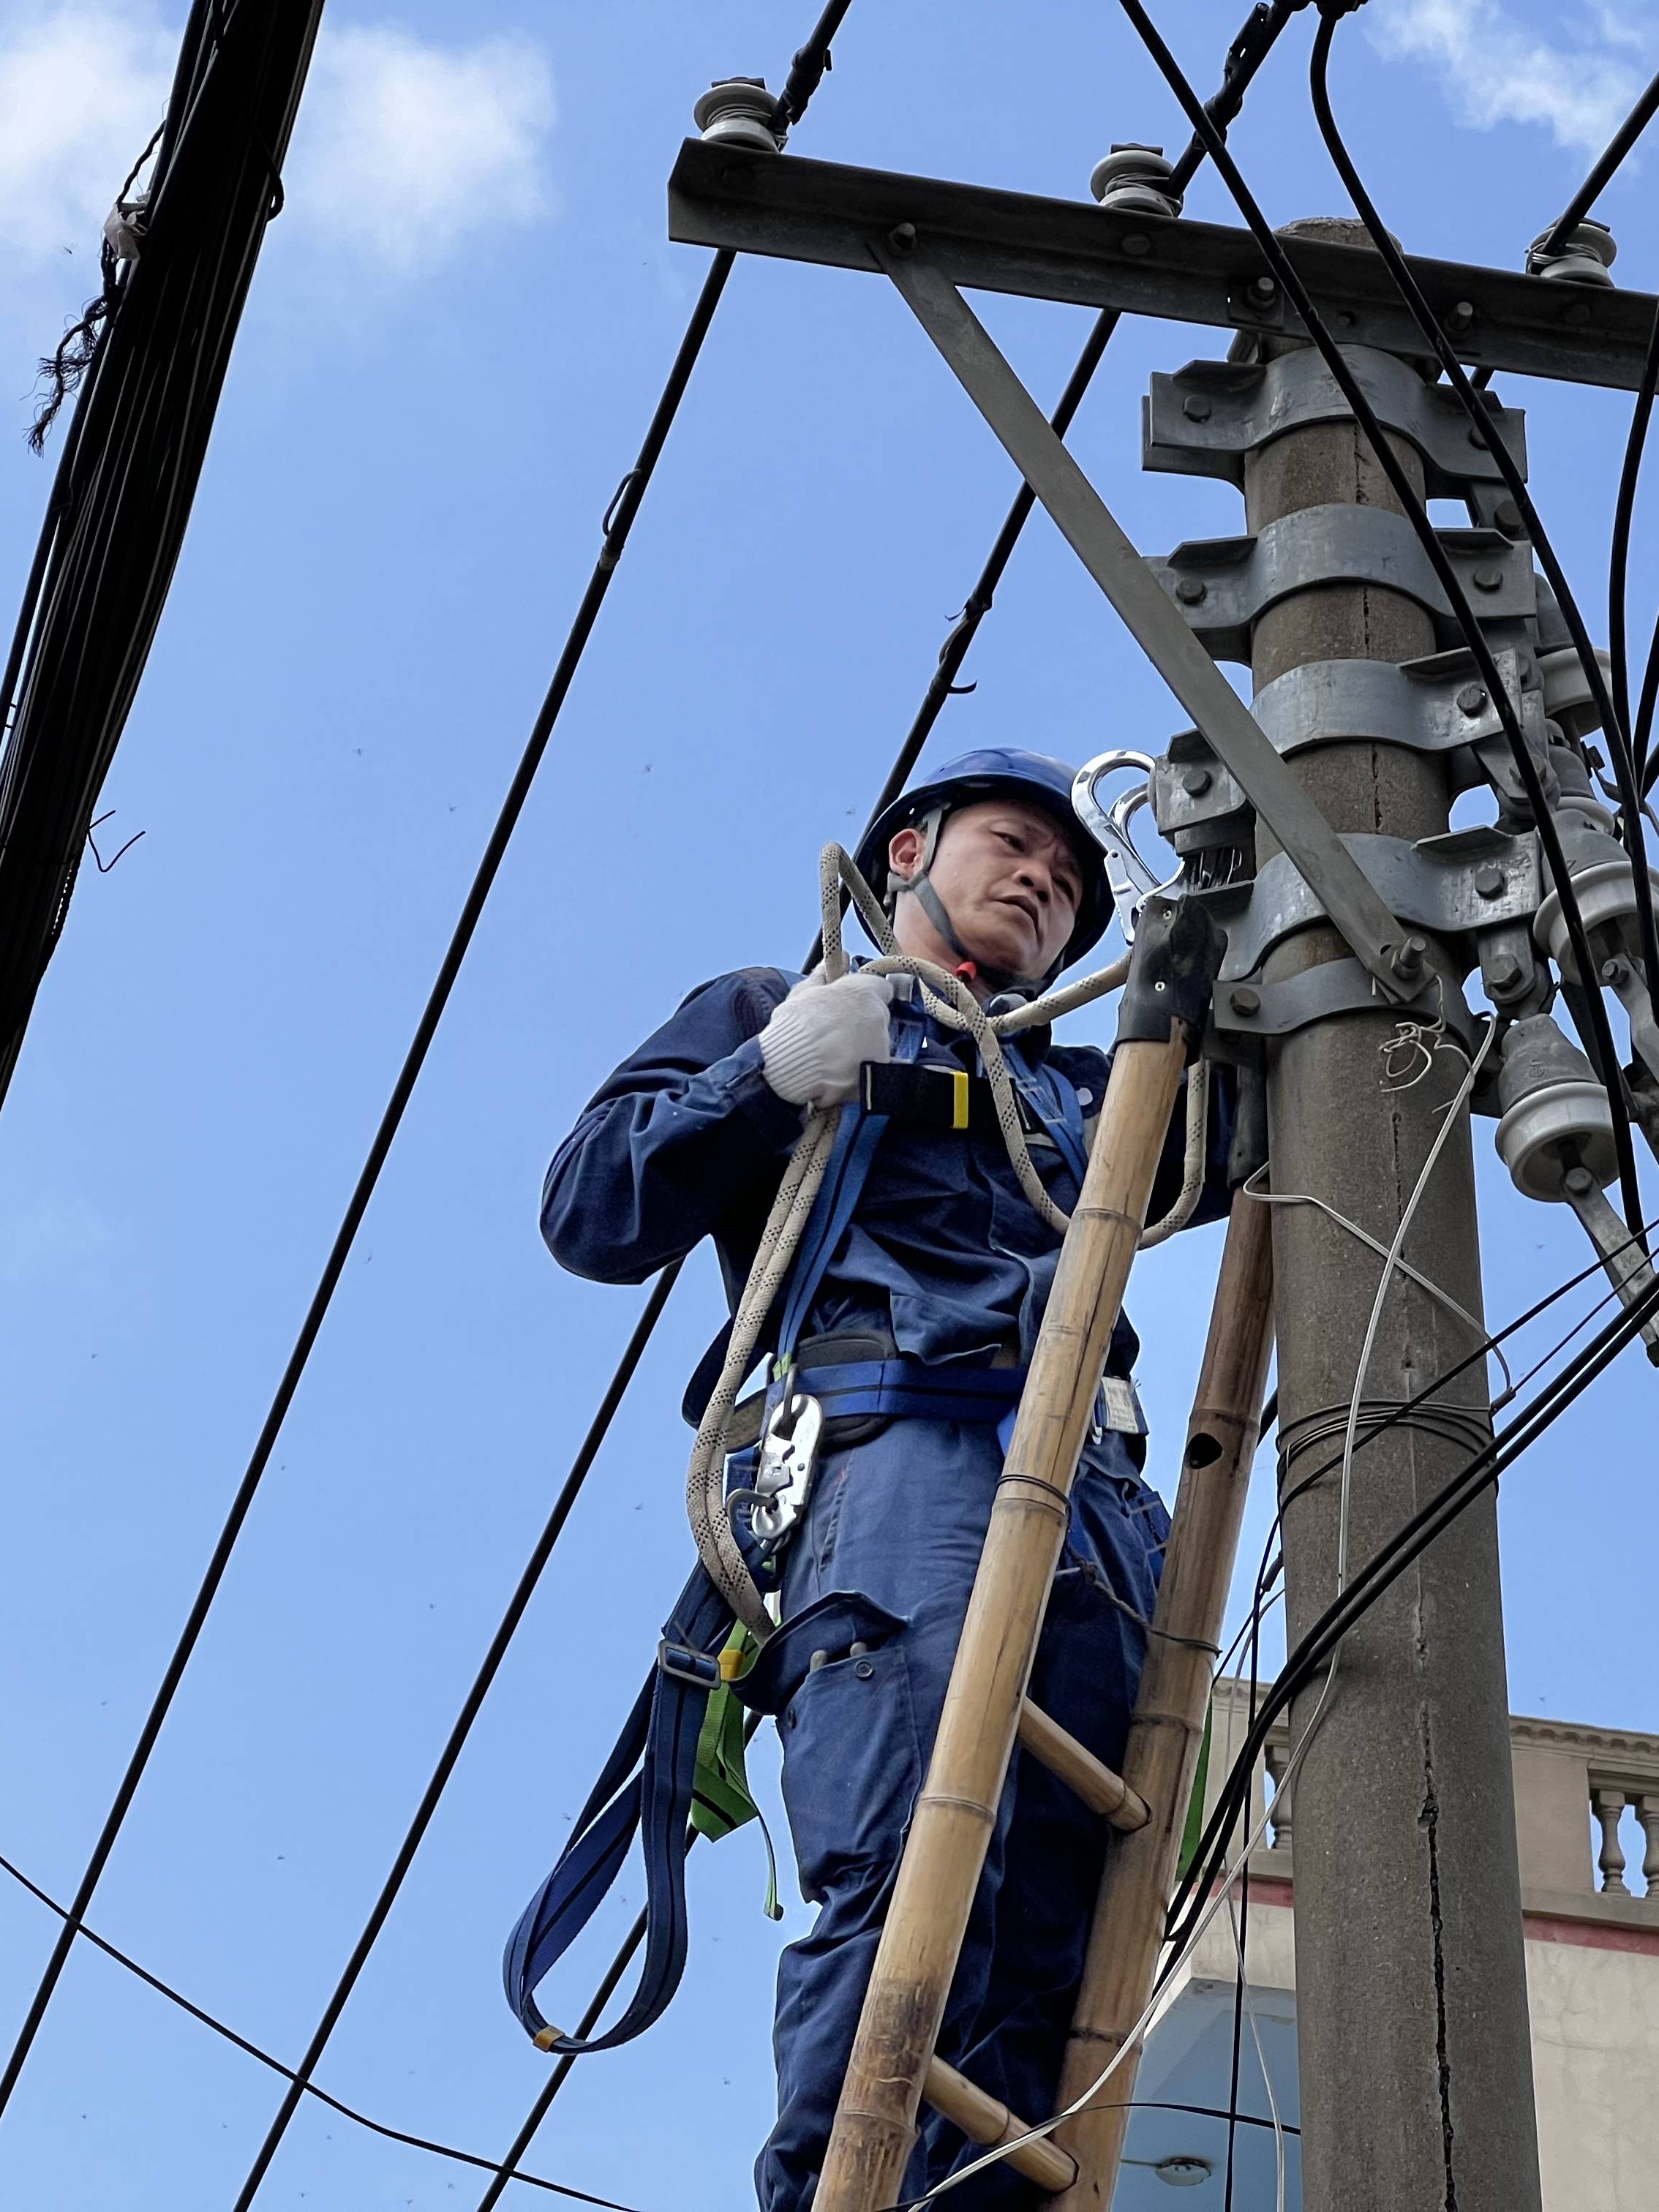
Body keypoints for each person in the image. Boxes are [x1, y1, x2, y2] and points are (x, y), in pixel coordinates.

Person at [540, 749, 1224, 2209]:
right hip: (903, 1450)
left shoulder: (1097, 1088)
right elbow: (594, 1205)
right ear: (905, 851)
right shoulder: (780, 1011)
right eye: (1012, 842)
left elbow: (1274, 1119)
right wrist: (770, 1072)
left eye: (1072, 875)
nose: (1047, 877)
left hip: (1106, 1514)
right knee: (921, 1878)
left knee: (1071, 1956)